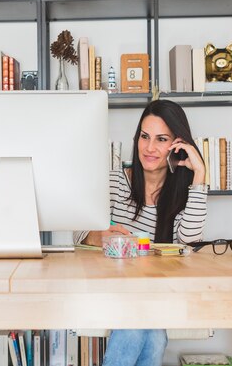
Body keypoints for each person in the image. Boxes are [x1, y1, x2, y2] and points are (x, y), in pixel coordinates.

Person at [74, 99, 207, 366]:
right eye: (144, 137)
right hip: (112, 291)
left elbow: (190, 242)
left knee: (145, 329)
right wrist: (98, 236)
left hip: (157, 292)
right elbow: (78, 235)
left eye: (161, 139)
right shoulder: (114, 182)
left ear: (177, 146)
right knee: (147, 331)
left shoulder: (182, 193)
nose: (149, 147)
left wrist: (200, 175)